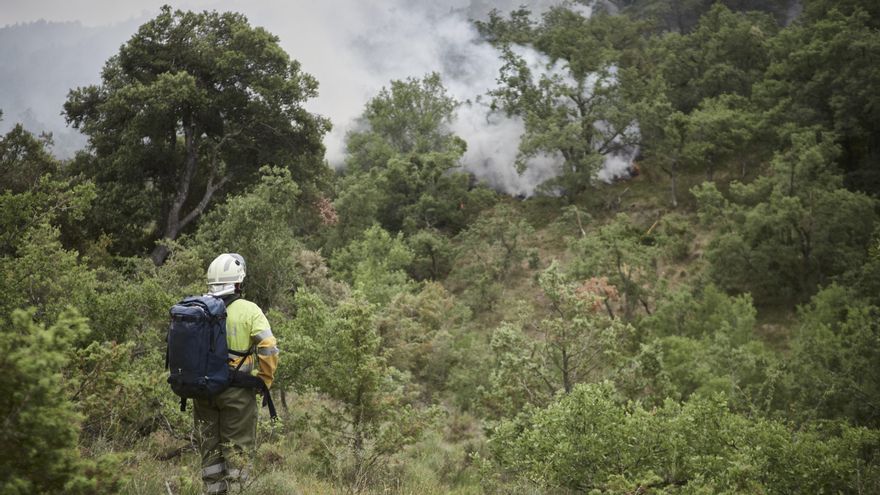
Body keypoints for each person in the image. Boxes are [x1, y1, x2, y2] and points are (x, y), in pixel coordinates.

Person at [196, 253, 279, 494]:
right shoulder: (249, 310)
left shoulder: (198, 306)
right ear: (238, 282)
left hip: (202, 392)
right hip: (237, 395)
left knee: (210, 451)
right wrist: (264, 380)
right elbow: (269, 347)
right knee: (238, 452)